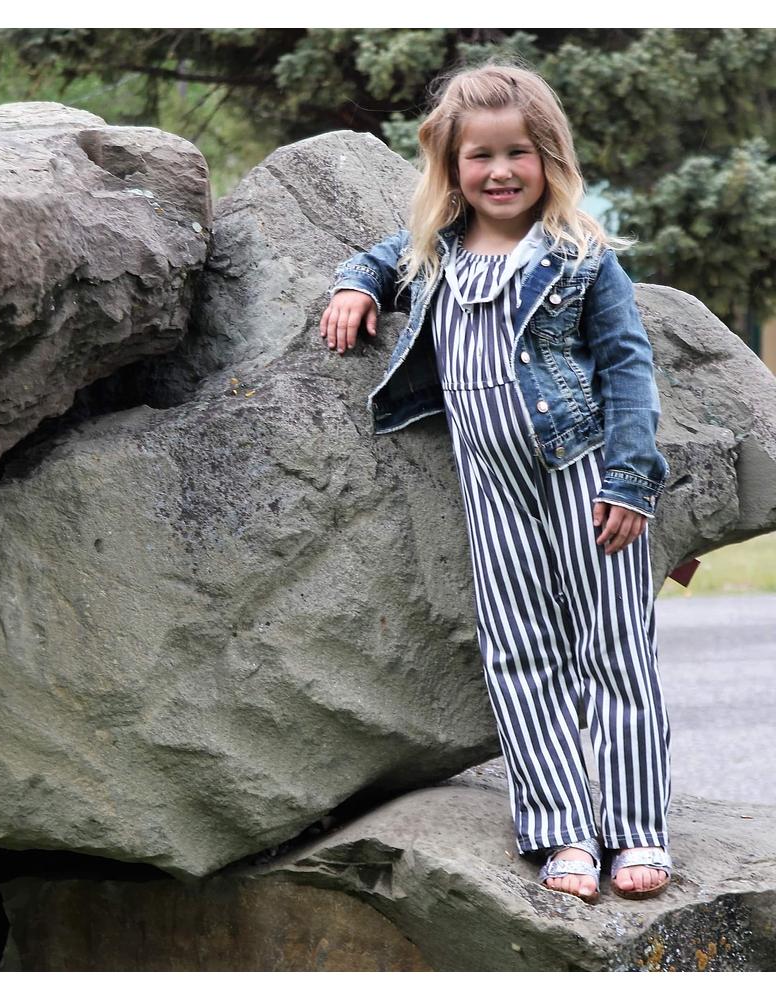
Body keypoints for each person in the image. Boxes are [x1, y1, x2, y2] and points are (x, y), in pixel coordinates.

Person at [319, 63, 673, 904]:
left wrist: (630, 480)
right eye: (480, 156)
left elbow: (628, 368)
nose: (501, 171)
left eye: (519, 153)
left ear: (549, 158)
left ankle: (636, 828)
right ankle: (562, 830)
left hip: (583, 472)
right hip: (490, 486)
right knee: (518, 650)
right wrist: (355, 286)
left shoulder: (581, 259)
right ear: (452, 164)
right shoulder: (435, 250)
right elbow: (378, 259)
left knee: (614, 648)